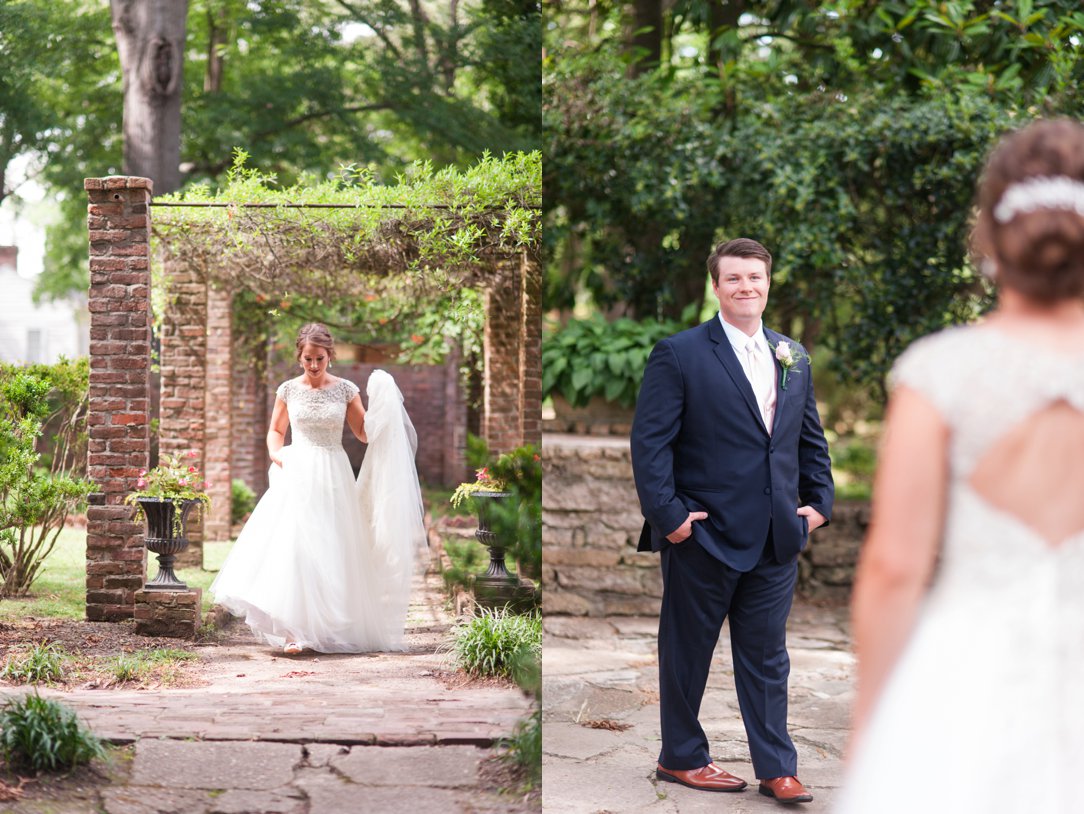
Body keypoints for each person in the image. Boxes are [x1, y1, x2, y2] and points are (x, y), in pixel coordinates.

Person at [837, 119, 1084, 814]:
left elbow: (893, 569)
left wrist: (870, 727)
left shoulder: (940, 372)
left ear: (992, 233)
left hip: (968, 685)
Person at [630, 238, 834, 803]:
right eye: (734, 279)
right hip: (703, 534)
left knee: (768, 656)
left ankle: (777, 769)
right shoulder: (680, 353)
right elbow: (650, 445)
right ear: (716, 287)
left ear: (769, 283)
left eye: (756, 277)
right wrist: (671, 519)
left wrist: (819, 504)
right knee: (687, 651)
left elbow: (807, 439)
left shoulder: (793, 355)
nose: (747, 287)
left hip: (776, 537)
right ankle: (681, 758)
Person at [211, 323, 426, 655]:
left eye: (320, 360)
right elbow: (275, 431)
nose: (313, 366)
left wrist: (383, 403)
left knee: (331, 546)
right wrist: (276, 454)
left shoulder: (345, 390)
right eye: (308, 359)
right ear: (300, 357)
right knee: (296, 546)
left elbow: (363, 434)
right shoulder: (288, 391)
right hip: (297, 470)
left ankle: (327, 626)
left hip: (333, 473)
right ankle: (294, 631)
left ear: (330, 357)